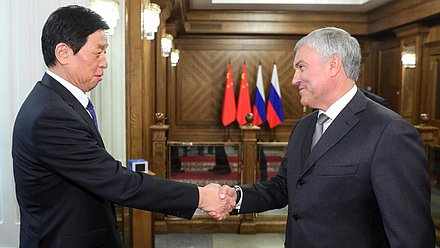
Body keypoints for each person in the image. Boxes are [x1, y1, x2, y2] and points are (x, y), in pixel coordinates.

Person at [12, 5, 234, 248]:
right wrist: (200, 196)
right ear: (64, 53)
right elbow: (117, 182)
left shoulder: (58, 103)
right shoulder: (50, 115)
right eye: (98, 53)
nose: (105, 63)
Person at [220, 27, 435, 247]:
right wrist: (234, 197)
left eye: (301, 67)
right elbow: (285, 186)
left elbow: (412, 237)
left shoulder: (390, 131)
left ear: (333, 65)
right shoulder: (303, 127)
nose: (295, 79)